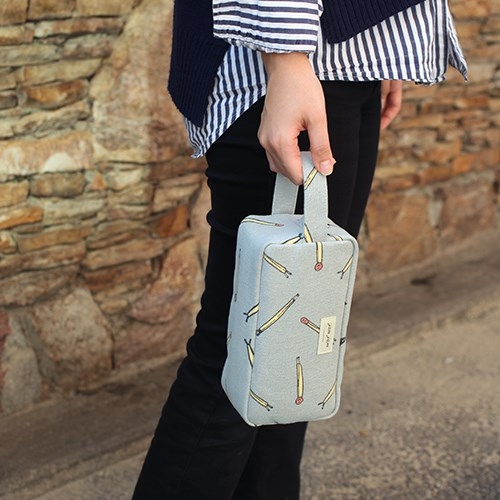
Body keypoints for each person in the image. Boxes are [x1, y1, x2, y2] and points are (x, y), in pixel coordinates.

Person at [133, 1, 467, 498]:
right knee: (243, 350)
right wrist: (285, 60)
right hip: (286, 63)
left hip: (342, 60)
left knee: (296, 349)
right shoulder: (286, 63)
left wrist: (384, 45)